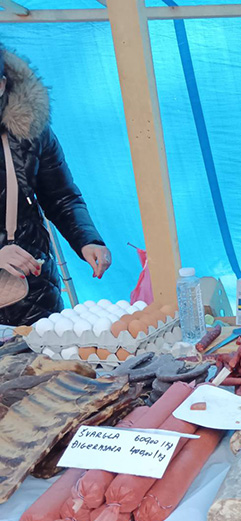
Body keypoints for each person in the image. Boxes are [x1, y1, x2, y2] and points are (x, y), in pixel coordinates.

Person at [0, 44, 110, 326]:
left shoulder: (31, 129)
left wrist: (87, 240)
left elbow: (61, 196)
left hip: (33, 289)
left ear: (2, 84)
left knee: (47, 353)